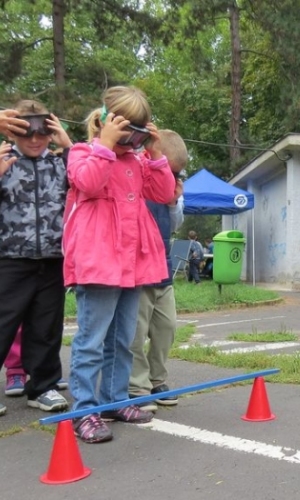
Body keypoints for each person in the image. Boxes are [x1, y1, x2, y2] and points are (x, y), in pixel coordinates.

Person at [64, 86, 175, 442]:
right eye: (126, 129)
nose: (133, 140)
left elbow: (163, 193)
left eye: (140, 133)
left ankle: (114, 399)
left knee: (124, 338)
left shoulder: (137, 162)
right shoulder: (83, 153)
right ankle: (84, 410)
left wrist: (155, 153)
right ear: (105, 121)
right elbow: (87, 182)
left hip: (132, 263)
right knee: (92, 339)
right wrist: (105, 145)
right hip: (99, 262)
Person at [0, 102, 72, 417]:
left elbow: (90, 177)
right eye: (27, 133)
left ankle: (42, 386)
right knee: (3, 324)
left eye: (42, 132)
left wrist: (67, 145)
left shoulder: (61, 164)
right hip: (10, 259)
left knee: (46, 325)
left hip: (53, 259)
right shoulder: (4, 162)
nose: (34, 140)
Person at [128, 130, 186, 412]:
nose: (172, 178)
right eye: (170, 170)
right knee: (136, 332)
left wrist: (174, 202)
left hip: (163, 270)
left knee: (167, 327)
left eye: (177, 174)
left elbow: (175, 226)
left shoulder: (173, 185)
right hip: (139, 270)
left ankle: (158, 379)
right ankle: (137, 386)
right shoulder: (137, 172)